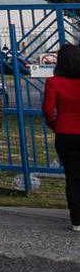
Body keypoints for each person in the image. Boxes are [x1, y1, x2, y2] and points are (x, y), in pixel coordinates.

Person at [41, 44, 80, 232]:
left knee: (73, 177)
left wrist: (55, 125)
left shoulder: (54, 82)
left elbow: (48, 110)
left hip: (65, 133)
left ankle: (77, 220)